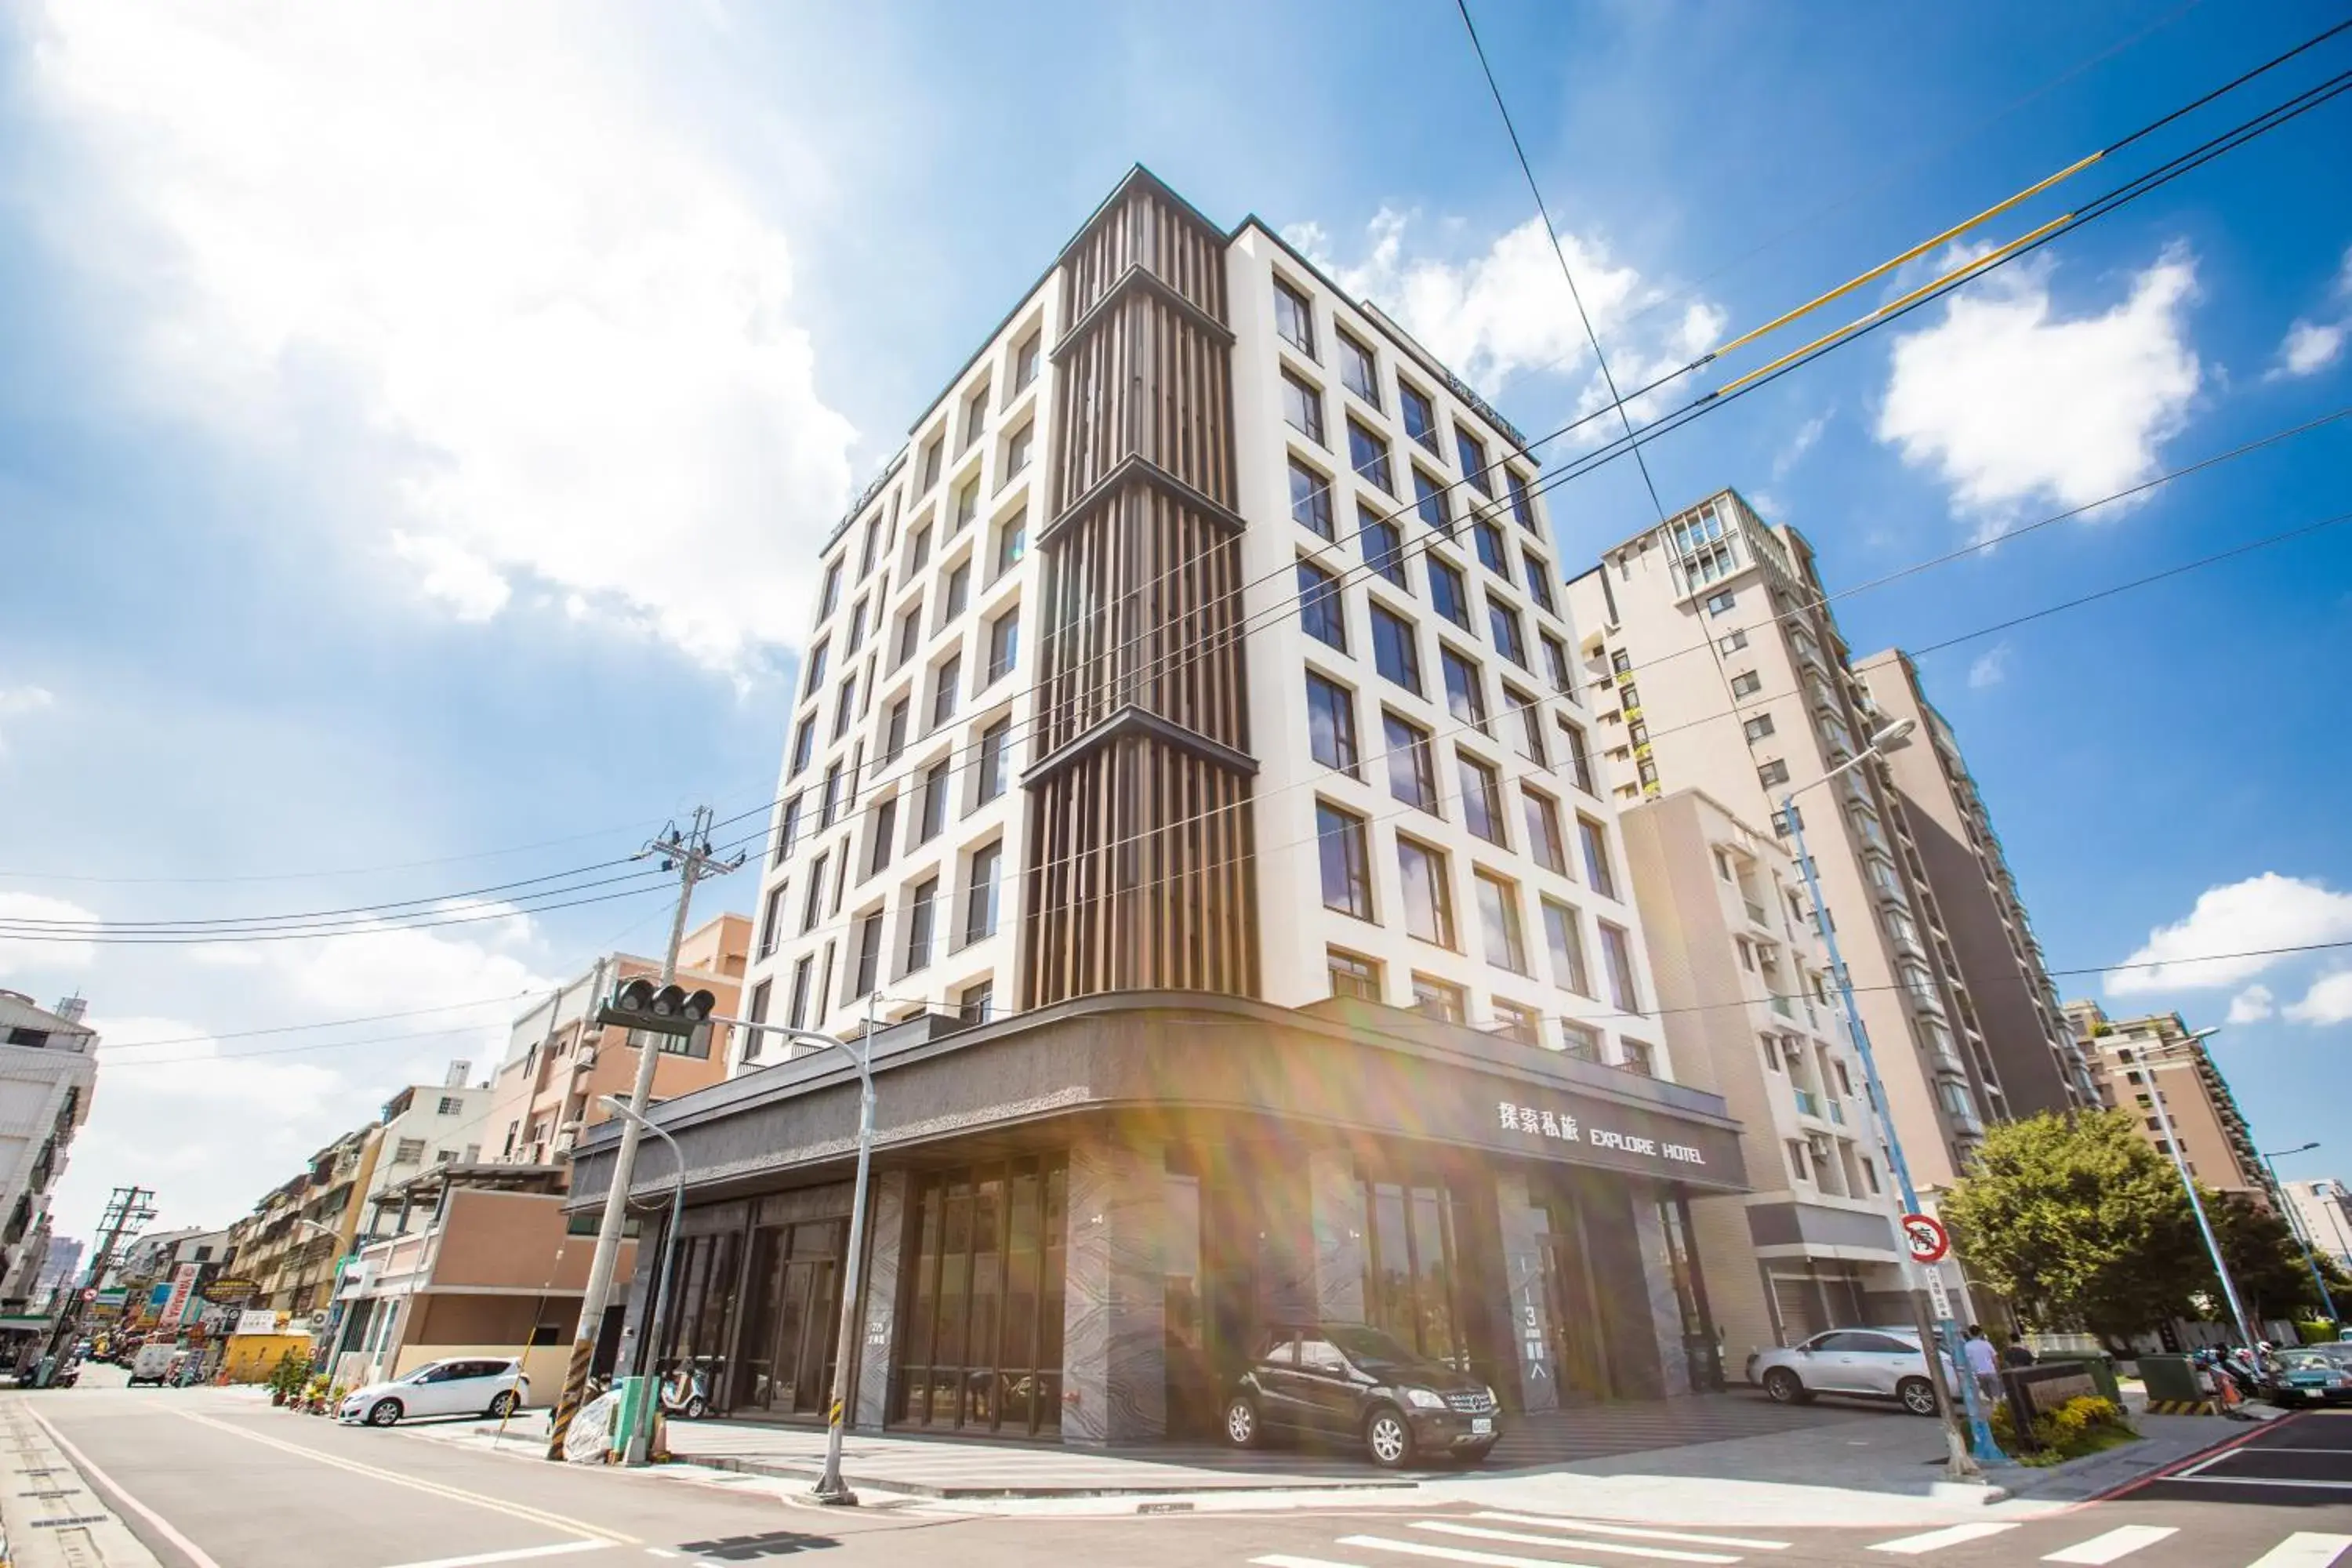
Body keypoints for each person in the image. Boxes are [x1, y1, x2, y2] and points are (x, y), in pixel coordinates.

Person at [1963, 1323, 2001, 1404]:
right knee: (1996, 1395)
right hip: (1991, 1371)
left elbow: (1967, 1362)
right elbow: (1995, 1359)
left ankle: (1992, 1407)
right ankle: (1997, 1408)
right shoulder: (1987, 1344)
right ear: (1980, 1333)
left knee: (1987, 1396)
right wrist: (1998, 1370)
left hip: (1979, 1373)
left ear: (1969, 1334)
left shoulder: (1967, 1346)